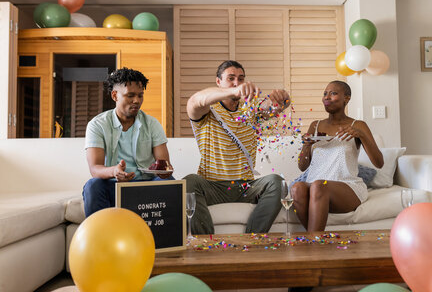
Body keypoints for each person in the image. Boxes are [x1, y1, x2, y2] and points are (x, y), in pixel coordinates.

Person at [185, 60, 290, 234]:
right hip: (212, 186)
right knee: (189, 182)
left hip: (246, 187)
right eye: (231, 78)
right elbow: (196, 100)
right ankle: (205, 243)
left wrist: (283, 99)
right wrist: (234, 90)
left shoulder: (250, 110)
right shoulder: (207, 110)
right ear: (218, 82)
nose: (237, 83)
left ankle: (253, 239)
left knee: (276, 182)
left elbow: (274, 108)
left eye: (241, 79)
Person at [291, 80, 384, 232]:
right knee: (297, 188)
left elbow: (379, 163)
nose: (327, 97)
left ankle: (312, 246)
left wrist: (361, 135)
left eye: (333, 93)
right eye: (325, 94)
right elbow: (302, 166)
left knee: (319, 185)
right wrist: (307, 146)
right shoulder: (315, 125)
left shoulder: (358, 125)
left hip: (347, 187)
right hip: (316, 187)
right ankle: (315, 240)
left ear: (346, 98)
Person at [82, 67, 173, 217]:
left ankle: (168, 239)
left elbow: (164, 164)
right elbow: (95, 168)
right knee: (93, 185)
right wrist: (114, 171)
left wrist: (164, 171)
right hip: (114, 185)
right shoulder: (97, 125)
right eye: (130, 95)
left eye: (140, 95)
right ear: (115, 95)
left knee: (169, 182)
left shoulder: (152, 124)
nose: (136, 101)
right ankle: (101, 239)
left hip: (146, 185)